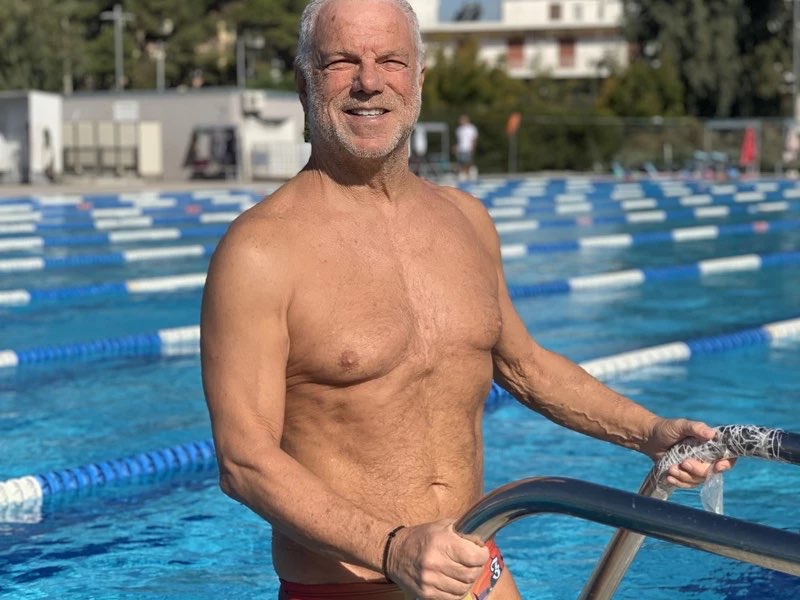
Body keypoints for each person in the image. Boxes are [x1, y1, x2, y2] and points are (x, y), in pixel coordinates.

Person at [200, 1, 733, 598]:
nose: (369, 81)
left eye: (391, 61)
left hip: (475, 565)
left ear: (419, 79)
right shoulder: (260, 252)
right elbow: (244, 459)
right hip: (354, 584)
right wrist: (393, 547)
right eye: (341, 62)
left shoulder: (466, 221)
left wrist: (650, 432)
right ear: (305, 85)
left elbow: (527, 367)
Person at [455, 114, 478, 181]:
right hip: (461, 149)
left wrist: (473, 148)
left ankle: (470, 176)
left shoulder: (471, 128)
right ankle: (463, 176)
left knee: (468, 163)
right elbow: (459, 140)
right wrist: (456, 148)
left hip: (468, 148)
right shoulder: (459, 129)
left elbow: (474, 139)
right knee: (461, 163)